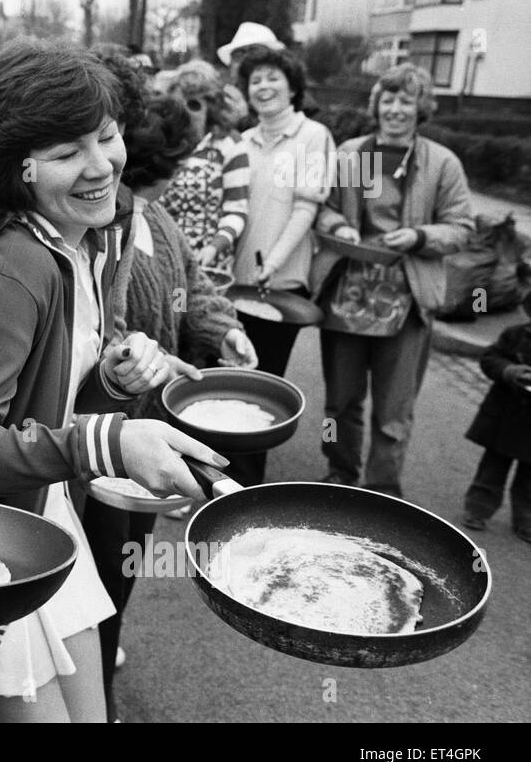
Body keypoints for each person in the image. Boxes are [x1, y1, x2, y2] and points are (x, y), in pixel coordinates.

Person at [0, 40, 228, 723]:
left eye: (107, 136)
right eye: (65, 152)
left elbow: (46, 411)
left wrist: (109, 387)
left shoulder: (72, 244)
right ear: (18, 169)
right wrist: (108, 440)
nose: (100, 165)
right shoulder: (13, 267)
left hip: (41, 519)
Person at [84, 92, 257, 718]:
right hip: (105, 437)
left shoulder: (156, 220)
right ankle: (95, 691)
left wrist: (223, 331)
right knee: (101, 571)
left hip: (154, 433)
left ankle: (109, 647)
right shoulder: (106, 227)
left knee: (129, 558)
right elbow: (106, 331)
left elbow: (198, 286)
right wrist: (139, 359)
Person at [311, 64, 475, 498]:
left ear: (421, 108)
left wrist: (420, 236)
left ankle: (382, 490)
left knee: (393, 410)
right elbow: (327, 208)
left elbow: (462, 227)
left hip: (407, 300)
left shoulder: (440, 162)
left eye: (405, 100)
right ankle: (340, 469)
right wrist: (339, 226)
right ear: (377, 104)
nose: (395, 109)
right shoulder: (357, 154)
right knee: (339, 403)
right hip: (347, 296)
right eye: (388, 99)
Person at [229, 46, 335, 484]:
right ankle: (213, 475)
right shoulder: (241, 140)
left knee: (261, 389)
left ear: (293, 86)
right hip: (235, 284)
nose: (264, 87)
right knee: (229, 379)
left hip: (281, 286)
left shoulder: (313, 136)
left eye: (274, 78)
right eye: (255, 80)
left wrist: (271, 262)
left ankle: (245, 486)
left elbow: (305, 208)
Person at [160, 63, 251, 272]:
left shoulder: (229, 145)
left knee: (200, 304)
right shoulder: (166, 141)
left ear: (211, 104)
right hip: (167, 260)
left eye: (194, 103)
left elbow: (237, 210)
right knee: (177, 303)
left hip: (209, 263)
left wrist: (214, 246)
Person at [460, 286, 531, 543]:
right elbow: (490, 359)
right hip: (506, 417)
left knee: (529, 479)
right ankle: (478, 509)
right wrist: (509, 371)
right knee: (492, 469)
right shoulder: (515, 335)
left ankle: (526, 520)